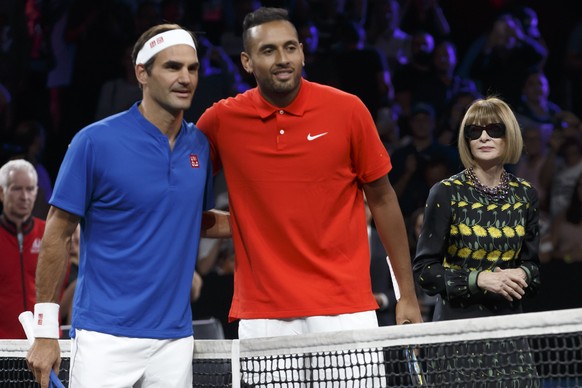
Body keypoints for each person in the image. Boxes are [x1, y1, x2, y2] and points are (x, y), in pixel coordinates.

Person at [197, 7, 422, 339]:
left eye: (290, 47)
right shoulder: (221, 121)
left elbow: (384, 200)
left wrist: (407, 295)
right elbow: (175, 196)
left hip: (345, 309)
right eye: (268, 50)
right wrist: (237, 224)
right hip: (264, 316)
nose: (282, 58)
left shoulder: (348, 110)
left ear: (302, 51)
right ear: (246, 61)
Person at [26, 23, 230, 388]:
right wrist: (44, 330)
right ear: (142, 73)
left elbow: (192, 220)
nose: (185, 78)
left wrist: (270, 223)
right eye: (172, 67)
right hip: (105, 337)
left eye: (192, 68)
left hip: (174, 340)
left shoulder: (200, 145)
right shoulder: (93, 142)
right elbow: (57, 233)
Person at [413, 96, 541, 384]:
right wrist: (479, 279)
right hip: (457, 337)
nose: (483, 137)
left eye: (494, 129)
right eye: (474, 131)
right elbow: (424, 272)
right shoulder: (445, 193)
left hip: (509, 336)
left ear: (509, 135)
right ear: (466, 139)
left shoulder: (525, 196)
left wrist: (522, 273)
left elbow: (533, 270)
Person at [0, 159, 45, 339]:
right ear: (2, 193)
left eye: (30, 189)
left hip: (44, 346)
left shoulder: (49, 234)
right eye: (17, 188)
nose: (25, 196)